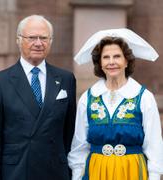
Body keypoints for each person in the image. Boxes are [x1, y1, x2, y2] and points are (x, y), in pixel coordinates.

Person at [0, 15, 76, 180]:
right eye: (32, 37)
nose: (38, 43)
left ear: (50, 41)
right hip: (16, 172)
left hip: (55, 172)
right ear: (19, 40)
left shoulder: (66, 79)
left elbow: (69, 134)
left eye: (44, 38)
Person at [68, 28, 163, 180]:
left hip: (131, 171)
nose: (111, 62)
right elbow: (79, 145)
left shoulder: (144, 97)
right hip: (96, 171)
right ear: (100, 63)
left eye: (117, 56)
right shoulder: (88, 98)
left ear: (126, 61)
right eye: (106, 57)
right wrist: (77, 175)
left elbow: (154, 145)